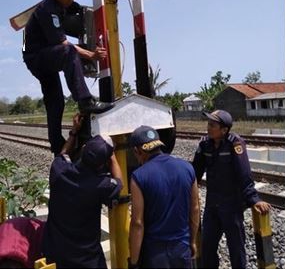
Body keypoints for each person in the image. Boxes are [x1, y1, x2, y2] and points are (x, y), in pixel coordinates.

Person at [22, 0, 113, 155]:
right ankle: (85, 101)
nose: (70, 0)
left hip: (47, 58)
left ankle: (58, 147)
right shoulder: (47, 10)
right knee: (68, 50)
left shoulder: (64, 3)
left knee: (56, 102)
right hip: (37, 58)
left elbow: (79, 11)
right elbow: (64, 46)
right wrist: (91, 55)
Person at [192, 110, 271, 269]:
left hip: (232, 206)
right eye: (208, 124)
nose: (208, 128)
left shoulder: (235, 144)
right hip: (212, 205)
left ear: (224, 130)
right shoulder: (204, 144)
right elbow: (195, 172)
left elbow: (244, 175)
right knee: (207, 247)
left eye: (212, 125)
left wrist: (253, 199)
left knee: (236, 249)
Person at [42, 113, 122, 268]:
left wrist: (74, 132)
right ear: (102, 165)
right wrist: (113, 157)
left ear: (84, 148)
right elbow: (119, 183)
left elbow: (63, 154)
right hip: (86, 260)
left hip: (55, 253)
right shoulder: (100, 186)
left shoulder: (58, 170)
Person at [128, 125, 200, 269]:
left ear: (137, 151)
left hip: (155, 253)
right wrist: (192, 241)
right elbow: (195, 208)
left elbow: (137, 223)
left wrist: (134, 262)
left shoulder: (139, 176)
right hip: (182, 247)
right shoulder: (187, 168)